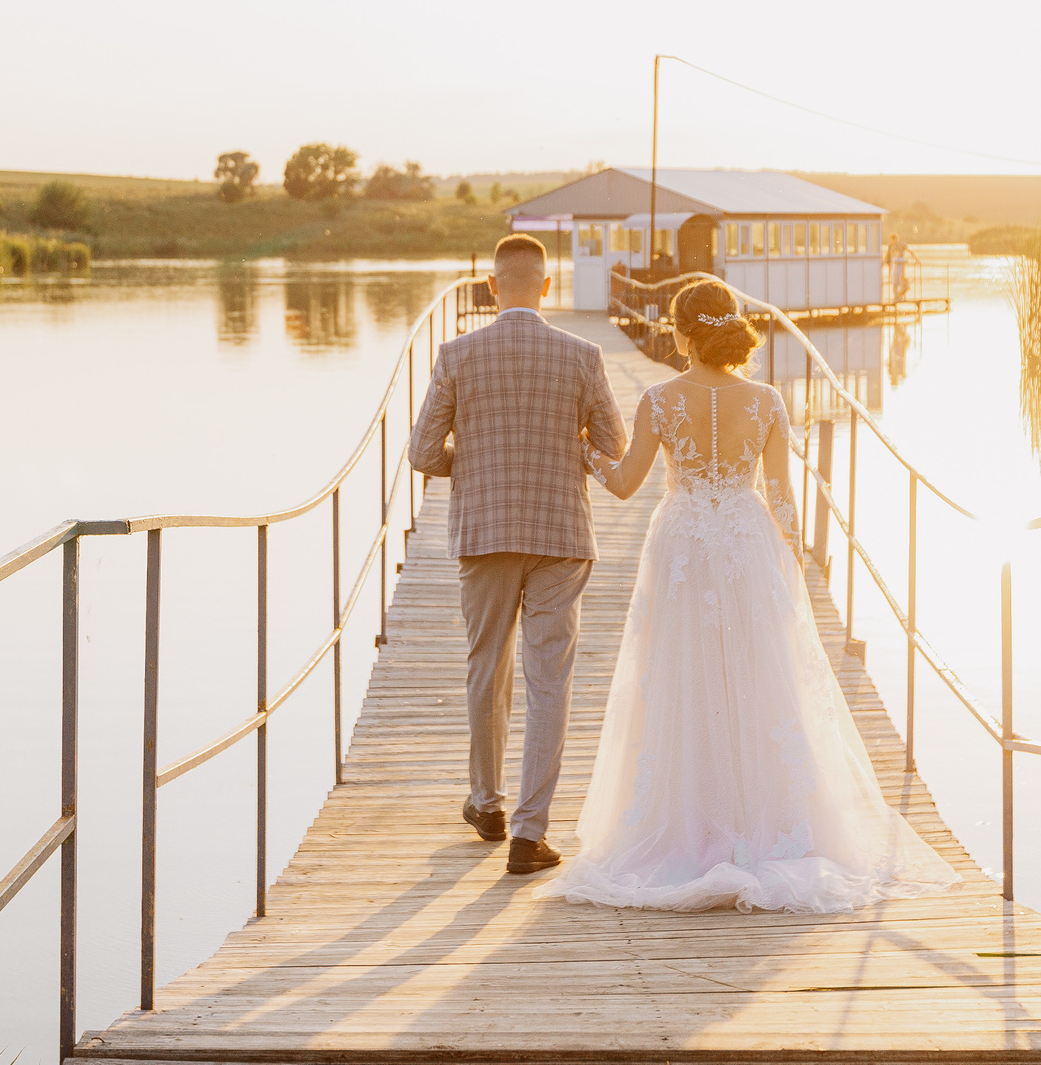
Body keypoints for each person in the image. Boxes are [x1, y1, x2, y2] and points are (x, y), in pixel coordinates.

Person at [553, 277, 958, 911]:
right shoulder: (767, 400)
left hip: (684, 542)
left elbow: (627, 483)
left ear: (682, 334)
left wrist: (584, 451)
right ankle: (764, 821)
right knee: (759, 672)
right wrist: (790, 564)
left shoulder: (658, 400)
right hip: (746, 540)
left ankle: (691, 821)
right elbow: (782, 498)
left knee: (683, 673)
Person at [410, 234, 628, 875]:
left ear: (491, 286)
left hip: (484, 533)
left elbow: (422, 453)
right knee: (549, 682)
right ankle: (530, 836)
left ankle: (487, 804)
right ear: (547, 286)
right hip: (561, 535)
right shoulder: (583, 354)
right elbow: (613, 445)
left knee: (487, 669)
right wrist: (567, 447)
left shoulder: (456, 354)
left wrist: (473, 463)